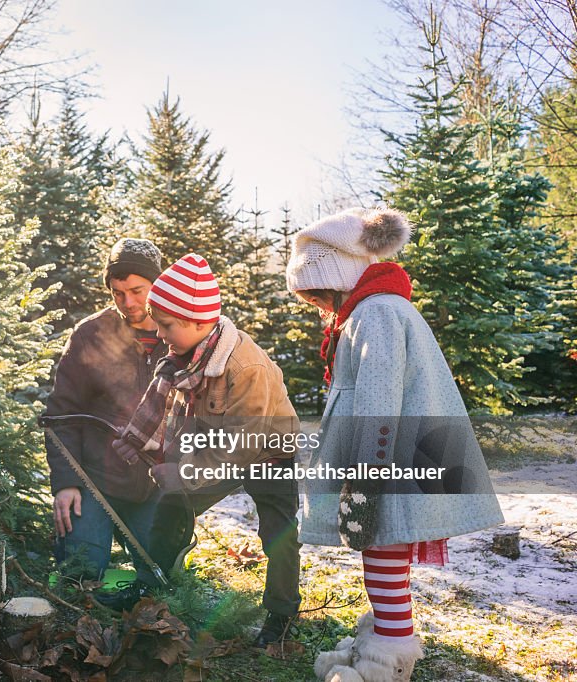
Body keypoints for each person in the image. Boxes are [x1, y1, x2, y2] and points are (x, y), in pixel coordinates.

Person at [285, 207, 504, 680]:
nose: (318, 307)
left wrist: (364, 482)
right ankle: (381, 641)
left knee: (383, 554)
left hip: (390, 462)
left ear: (335, 277)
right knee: (384, 558)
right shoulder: (372, 308)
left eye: (316, 295)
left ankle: (388, 661)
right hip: (392, 459)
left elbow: (379, 402)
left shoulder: (376, 313)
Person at [112, 253, 303, 647]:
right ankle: (154, 586)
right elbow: (178, 415)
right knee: (170, 506)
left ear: (197, 321)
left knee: (278, 533)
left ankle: (281, 616)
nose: (161, 334)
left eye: (166, 325)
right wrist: (149, 449)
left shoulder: (246, 368)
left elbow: (242, 448)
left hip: (266, 451)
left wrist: (183, 472)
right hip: (215, 445)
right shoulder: (187, 357)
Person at [44, 237, 171, 597]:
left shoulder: (179, 334)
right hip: (93, 483)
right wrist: (66, 483)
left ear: (157, 285)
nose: (128, 303)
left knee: (164, 581)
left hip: (153, 487)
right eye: (118, 293)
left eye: (137, 291)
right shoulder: (90, 335)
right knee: (79, 576)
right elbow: (60, 415)